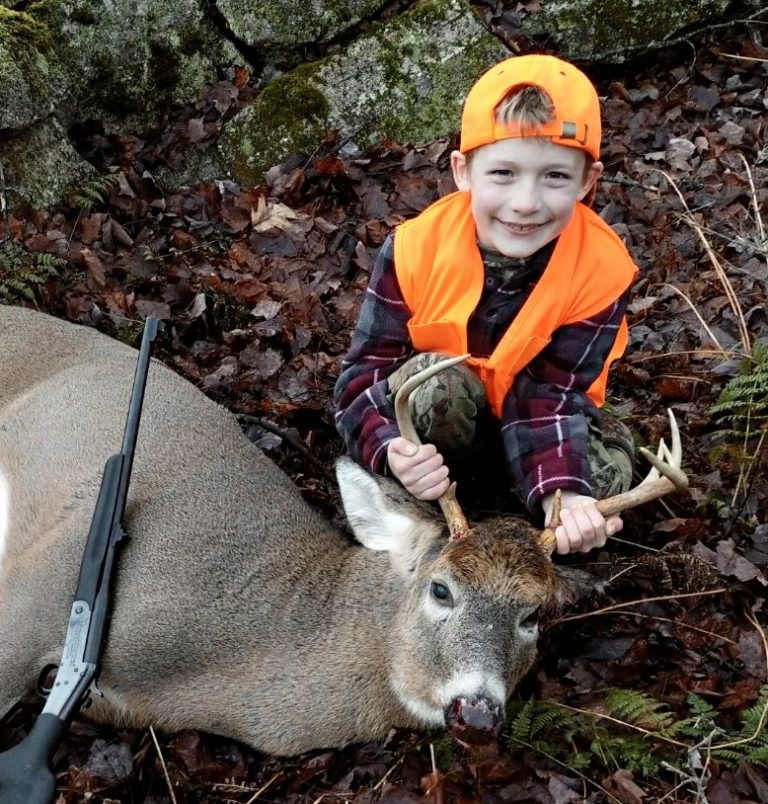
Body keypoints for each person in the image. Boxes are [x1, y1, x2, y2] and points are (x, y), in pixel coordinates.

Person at [333, 53, 638, 555]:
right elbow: (359, 381)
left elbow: (551, 394)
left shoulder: (601, 271)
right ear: (463, 171)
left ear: (587, 181)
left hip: (542, 422)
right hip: (445, 432)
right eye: (503, 173)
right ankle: (442, 495)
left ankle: (528, 495)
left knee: (598, 489)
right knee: (431, 384)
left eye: (555, 177)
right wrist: (389, 449)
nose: (525, 202)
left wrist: (564, 491)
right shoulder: (414, 249)